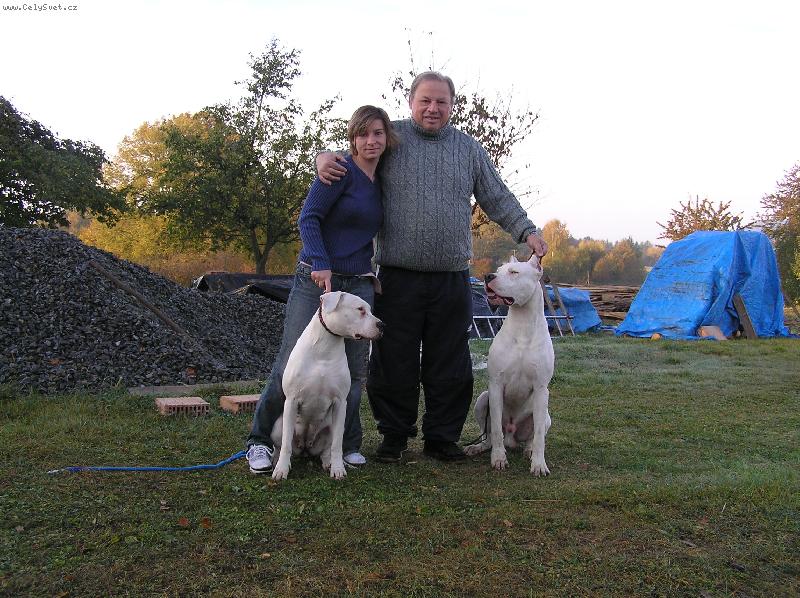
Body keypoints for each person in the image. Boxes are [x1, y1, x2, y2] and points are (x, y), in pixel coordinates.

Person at [316, 72, 548, 464]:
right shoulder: (391, 138)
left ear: (452, 105)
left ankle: (442, 437)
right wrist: (322, 157)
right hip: (397, 276)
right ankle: (394, 436)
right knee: (393, 359)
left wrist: (527, 231)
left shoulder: (468, 149)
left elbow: (497, 197)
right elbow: (353, 157)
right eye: (425, 100)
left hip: (450, 277)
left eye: (441, 101)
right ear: (411, 102)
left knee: (450, 361)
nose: (433, 108)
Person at [245, 105, 398, 474]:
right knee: (290, 360)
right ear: (353, 138)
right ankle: (260, 442)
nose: (371, 140)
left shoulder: (384, 178)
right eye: (363, 134)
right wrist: (319, 260)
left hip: (359, 282)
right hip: (318, 279)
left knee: (355, 368)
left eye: (378, 133)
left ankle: (345, 445)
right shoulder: (339, 170)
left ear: (387, 137)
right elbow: (309, 217)